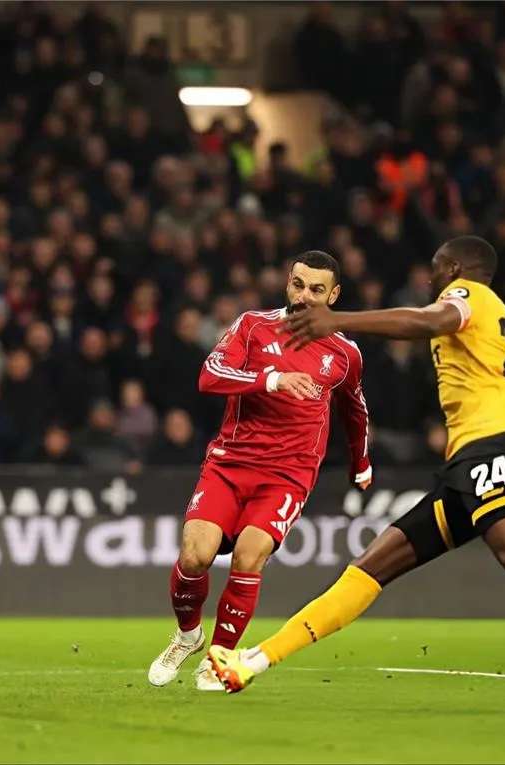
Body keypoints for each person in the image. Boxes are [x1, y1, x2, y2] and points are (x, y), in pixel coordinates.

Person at [209, 236, 505, 693]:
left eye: (437, 266)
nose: (431, 276)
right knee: (370, 567)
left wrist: (338, 320)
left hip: (490, 441)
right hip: (470, 457)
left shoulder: (469, 295)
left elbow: (430, 321)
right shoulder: (499, 321)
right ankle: (254, 661)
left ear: (457, 268)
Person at [148, 251, 372, 691]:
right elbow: (209, 376)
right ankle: (188, 635)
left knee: (250, 556)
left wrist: (361, 462)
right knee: (194, 555)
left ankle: (218, 658)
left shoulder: (345, 353)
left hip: (288, 474)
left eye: (317, 289)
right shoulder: (252, 326)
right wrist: (271, 379)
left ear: (334, 295)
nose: (304, 296)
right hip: (231, 462)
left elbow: (354, 409)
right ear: (288, 283)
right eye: (298, 285)